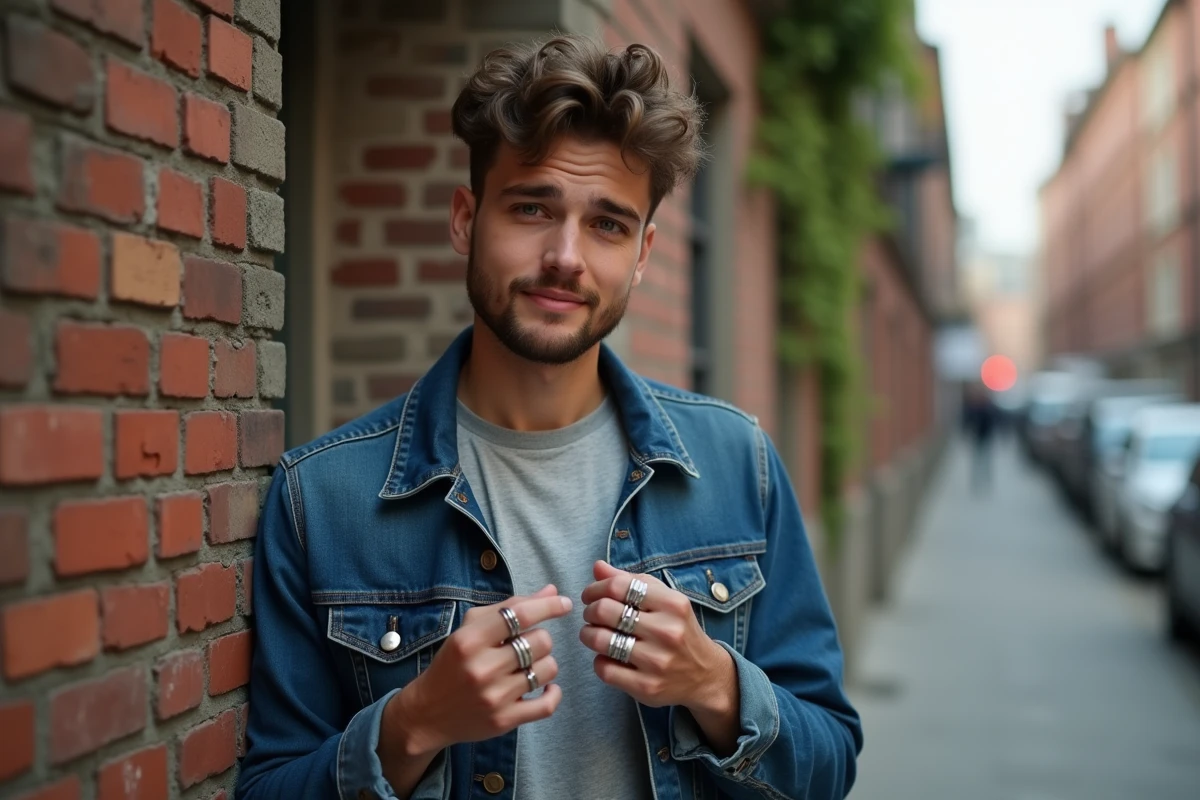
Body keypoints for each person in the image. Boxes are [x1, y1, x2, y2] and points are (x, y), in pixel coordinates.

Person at [237, 35, 862, 800]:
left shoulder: (738, 461)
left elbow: (830, 762)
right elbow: (267, 786)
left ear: (642, 253)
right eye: (533, 207)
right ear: (466, 219)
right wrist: (413, 725)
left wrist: (718, 685)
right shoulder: (321, 499)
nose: (565, 256)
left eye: (607, 224)